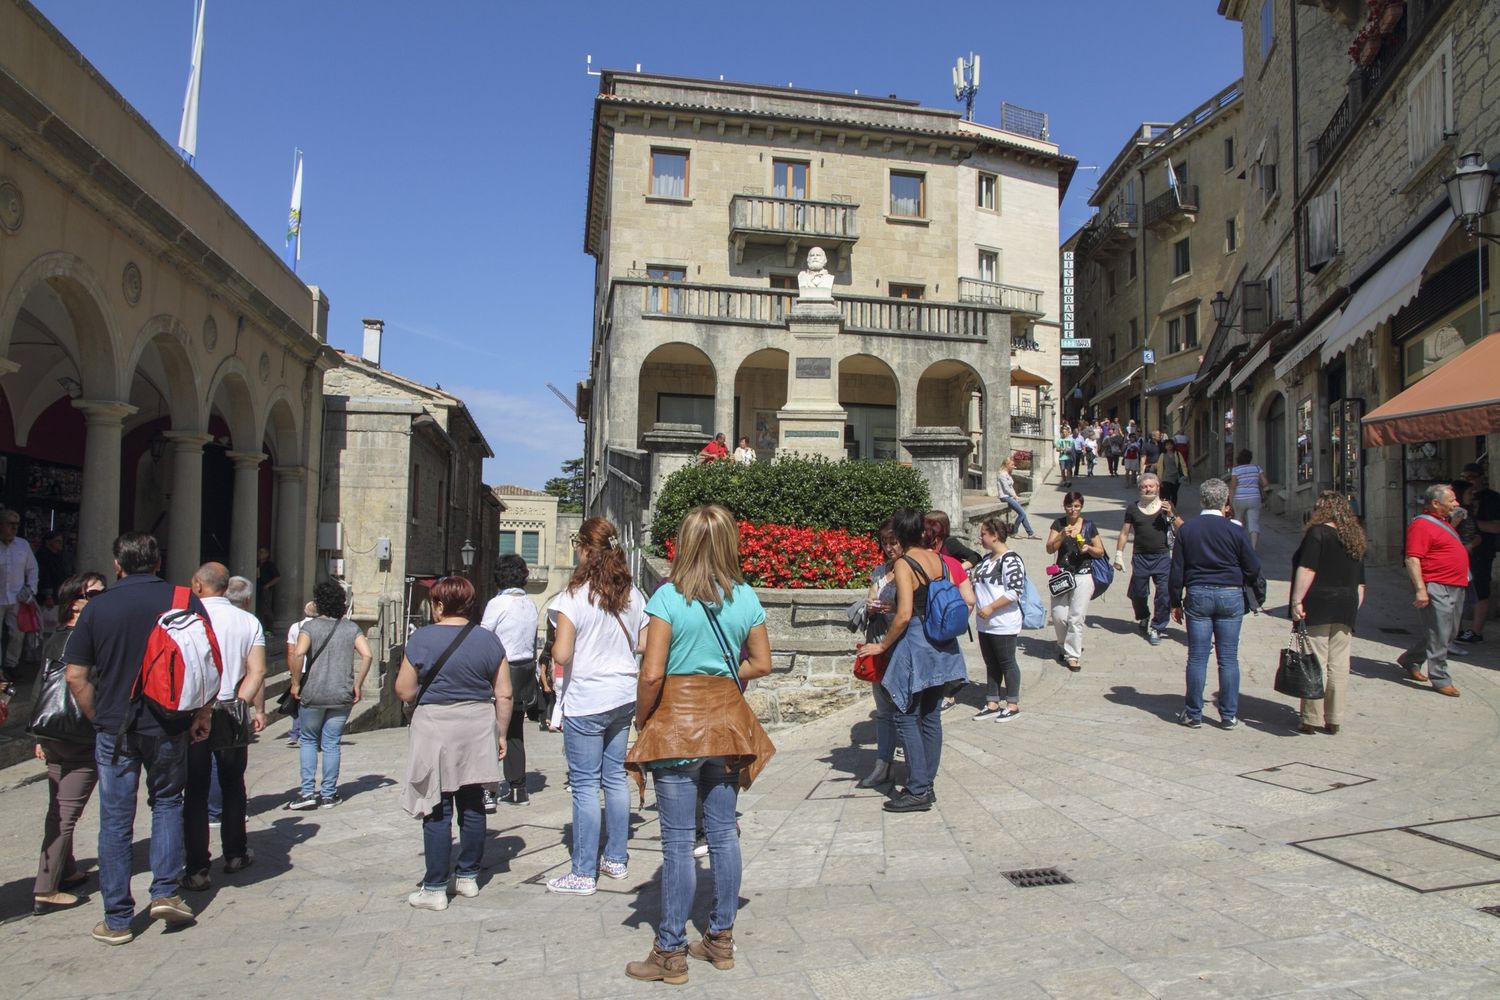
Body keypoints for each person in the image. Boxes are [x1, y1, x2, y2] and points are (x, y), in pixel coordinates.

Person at [624, 504, 774, 985]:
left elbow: (652, 671)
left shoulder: (667, 598)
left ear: (684, 544)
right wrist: (723, 675)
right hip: (726, 725)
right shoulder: (746, 598)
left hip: (677, 726)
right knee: (725, 834)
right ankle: (719, 938)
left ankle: (669, 950)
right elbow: (763, 663)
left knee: (676, 842)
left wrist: (642, 719)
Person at [63, 532, 214, 946]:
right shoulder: (183, 600)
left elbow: (75, 675)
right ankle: (165, 891)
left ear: (117, 564)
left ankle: (117, 918)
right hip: (168, 722)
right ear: (158, 561)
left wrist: (100, 716)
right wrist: (202, 714)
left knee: (115, 820)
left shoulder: (99, 607)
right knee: (167, 802)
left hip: (115, 727)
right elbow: (206, 663)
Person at [395, 576, 512, 910]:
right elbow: (503, 692)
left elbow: (404, 690)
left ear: (440, 605)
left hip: (435, 727)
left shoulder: (422, 639)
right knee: (473, 803)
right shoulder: (489, 641)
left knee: (437, 806)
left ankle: (434, 887)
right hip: (476, 725)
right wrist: (500, 734)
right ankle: (468, 877)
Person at [546, 517, 647, 896]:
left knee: (586, 785)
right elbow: (642, 643)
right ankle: (617, 858)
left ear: (587, 549)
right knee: (614, 779)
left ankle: (583, 871)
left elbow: (562, 653)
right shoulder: (633, 595)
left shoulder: (573, 597)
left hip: (587, 697)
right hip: (622, 695)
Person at [856, 508, 969, 813]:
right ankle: (926, 781)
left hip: (916, 645)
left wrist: (882, 647)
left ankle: (918, 788)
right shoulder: (939, 559)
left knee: (905, 715)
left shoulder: (905, 564)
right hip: (941, 645)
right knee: (931, 715)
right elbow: (924, 599)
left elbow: (905, 614)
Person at [179, 563, 267, 892]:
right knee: (233, 785)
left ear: (198, 585)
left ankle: (198, 866)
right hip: (231, 709)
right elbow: (256, 671)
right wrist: (240, 702)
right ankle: (235, 853)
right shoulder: (248, 621)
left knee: (196, 790)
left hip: (193, 713)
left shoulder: (187, 619)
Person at [31, 572, 105, 916]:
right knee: (66, 814)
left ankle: (66, 869)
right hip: (79, 733)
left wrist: (38, 735)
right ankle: (46, 888)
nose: (101, 600)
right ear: (75, 601)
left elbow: (39, 686)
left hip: (53, 732)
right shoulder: (88, 639)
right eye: (93, 595)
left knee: (58, 806)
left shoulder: (54, 637)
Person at [1169, 477, 1262, 729]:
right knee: (1228, 657)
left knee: (1198, 656)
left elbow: (1177, 569)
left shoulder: (1187, 530)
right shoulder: (1236, 530)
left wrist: (1175, 601)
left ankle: (1193, 713)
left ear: (1201, 500)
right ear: (1225, 502)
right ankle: (1229, 714)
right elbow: (1253, 566)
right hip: (1230, 594)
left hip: (1198, 593)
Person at [285, 580, 372, 809]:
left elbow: (299, 653)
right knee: (332, 743)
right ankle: (329, 794)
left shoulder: (309, 628)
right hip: (341, 692)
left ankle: (306, 793)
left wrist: (295, 683)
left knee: (308, 740)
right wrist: (358, 683)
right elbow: (368, 655)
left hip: (313, 692)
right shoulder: (351, 628)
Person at [1289, 492, 1367, 735]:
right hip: (1347, 603)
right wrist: (1354, 606)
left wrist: (1296, 600)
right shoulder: (1354, 537)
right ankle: (1334, 717)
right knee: (1340, 664)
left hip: (1319, 601)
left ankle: (1311, 717)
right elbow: (1361, 583)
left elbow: (1308, 568)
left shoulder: (1318, 533)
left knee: (1315, 660)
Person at [1396, 483, 1468, 697]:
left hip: (1456, 583)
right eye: (1452, 500)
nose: (1456, 503)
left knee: (1449, 632)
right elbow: (1412, 559)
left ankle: (1410, 659)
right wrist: (1421, 590)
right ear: (1436, 503)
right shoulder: (1421, 525)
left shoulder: (1442, 522)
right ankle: (1440, 677)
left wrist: (1454, 522)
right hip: (1437, 585)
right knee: (1439, 632)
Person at [479, 554, 539, 808]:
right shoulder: (531, 605)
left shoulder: (498, 604)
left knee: (491, 731)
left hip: (500, 672)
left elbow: (483, 639)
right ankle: (518, 788)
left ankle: (488, 791)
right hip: (523, 673)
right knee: (515, 730)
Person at [856, 520, 901, 789]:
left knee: (904, 709)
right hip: (877, 644)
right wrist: (871, 608)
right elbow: (870, 600)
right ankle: (883, 764)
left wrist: (893, 607)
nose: (888, 547)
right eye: (884, 542)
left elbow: (910, 611)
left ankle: (912, 764)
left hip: (900, 647)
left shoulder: (909, 569)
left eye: (893, 541)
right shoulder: (879, 572)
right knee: (883, 711)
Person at [1115, 473, 1181, 646]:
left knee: (1164, 594)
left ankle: (1157, 627)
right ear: (1140, 488)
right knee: (1138, 592)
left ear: (1158, 487)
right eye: (1145, 486)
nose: (1148, 488)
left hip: (1162, 557)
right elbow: (1124, 532)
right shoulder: (1133, 508)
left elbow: (1183, 528)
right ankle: (1143, 616)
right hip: (1140, 557)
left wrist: (1171, 515)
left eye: (1152, 486)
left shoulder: (1167, 506)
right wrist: (1119, 555)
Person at [972, 516, 1025, 722]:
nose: (980, 537)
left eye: (984, 533)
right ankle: (992, 702)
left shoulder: (1011, 559)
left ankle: (1012, 704)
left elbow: (1015, 591)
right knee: (990, 662)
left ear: (995, 536)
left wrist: (992, 607)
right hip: (985, 623)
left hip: (1003, 622)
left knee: (1007, 662)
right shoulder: (986, 560)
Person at [1046, 492, 1103, 672]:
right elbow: (1049, 549)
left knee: (1076, 617)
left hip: (1083, 575)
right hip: (1062, 575)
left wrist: (1088, 548)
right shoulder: (1058, 524)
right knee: (1059, 616)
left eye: (1076, 506)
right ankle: (1063, 645)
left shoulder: (1089, 526)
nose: (1073, 509)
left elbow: (1100, 551)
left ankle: (1073, 656)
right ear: (1064, 506)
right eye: (1070, 506)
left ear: (1081, 507)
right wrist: (1061, 535)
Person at [1455, 463, 1500, 644]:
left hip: (1481, 551)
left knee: (1480, 588)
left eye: (1471, 477)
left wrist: (1471, 522)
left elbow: (1496, 527)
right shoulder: (1459, 497)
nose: (1468, 482)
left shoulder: (1492, 499)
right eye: (1464, 477)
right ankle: (1455, 629)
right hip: (1458, 552)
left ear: (1482, 477)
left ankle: (1476, 631)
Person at [0, 508, 39, 684]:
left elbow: (32, 569)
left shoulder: (23, 545)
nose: (14, 528)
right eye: (10, 524)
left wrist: (31, 589)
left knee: (17, 634)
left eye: (16, 524)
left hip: (17, 598)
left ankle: (11, 664)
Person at [283, 601, 317, 748]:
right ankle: (307, 734)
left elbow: (291, 652)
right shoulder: (319, 628)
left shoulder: (295, 627)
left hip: (298, 669)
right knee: (310, 703)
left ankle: (295, 733)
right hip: (314, 669)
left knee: (298, 702)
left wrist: (292, 673)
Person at [1230, 450, 1269, 550]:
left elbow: (1233, 486)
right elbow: (1265, 483)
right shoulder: (1256, 468)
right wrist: (1256, 484)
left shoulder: (1236, 470)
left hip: (1240, 498)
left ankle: (1238, 547)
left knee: (1238, 521)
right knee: (1254, 523)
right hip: (1254, 498)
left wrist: (1231, 501)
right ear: (1250, 458)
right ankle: (1253, 549)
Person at [996, 456, 1037, 539]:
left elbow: (1011, 487)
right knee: (1022, 513)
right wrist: (1014, 495)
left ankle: (1030, 533)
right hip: (1005, 497)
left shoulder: (1007, 474)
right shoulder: (1002, 474)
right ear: (1007, 465)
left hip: (1009, 496)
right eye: (1012, 465)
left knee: (1022, 514)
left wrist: (1015, 496)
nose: (1013, 466)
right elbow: (1006, 488)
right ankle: (1014, 532)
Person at [36, 531, 71, 608]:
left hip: (58, 594)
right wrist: (48, 596)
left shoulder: (60, 556)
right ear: (48, 542)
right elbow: (44, 576)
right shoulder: (42, 556)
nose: (60, 543)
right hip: (46, 597)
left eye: (61, 541)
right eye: (57, 541)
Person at [1157, 439, 1187, 505]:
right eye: (1167, 445)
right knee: (1166, 494)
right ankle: (1167, 509)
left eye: (1171, 444)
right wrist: (1159, 479)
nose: (1169, 446)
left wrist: (1185, 474)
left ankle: (1173, 509)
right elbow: (1160, 468)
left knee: (1174, 494)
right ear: (1165, 446)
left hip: (1176, 477)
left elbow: (1183, 464)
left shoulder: (1177, 454)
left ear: (1173, 445)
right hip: (1166, 477)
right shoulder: (1163, 455)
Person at [254, 546, 279, 627]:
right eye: (259, 552)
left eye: (262, 552)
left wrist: (268, 585)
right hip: (256, 588)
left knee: (266, 608)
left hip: (265, 589)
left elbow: (277, 577)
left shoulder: (270, 565)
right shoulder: (256, 564)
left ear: (267, 554)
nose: (259, 554)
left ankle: (269, 628)